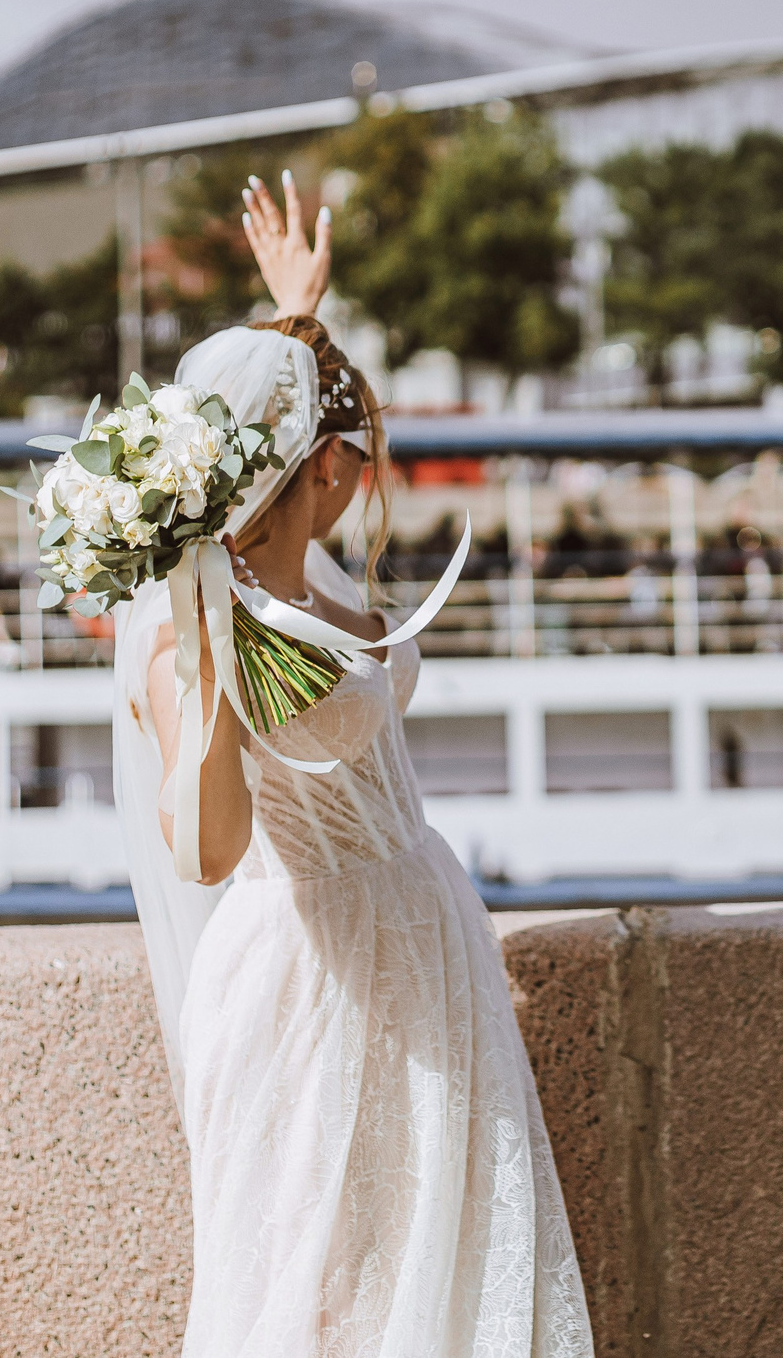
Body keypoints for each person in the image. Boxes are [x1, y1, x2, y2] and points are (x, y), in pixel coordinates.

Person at [111, 171, 590, 1357]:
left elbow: (273, 413)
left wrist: (296, 315)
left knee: (431, 1266)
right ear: (317, 467)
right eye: (354, 450)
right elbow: (209, 846)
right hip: (312, 975)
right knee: (322, 1291)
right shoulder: (188, 631)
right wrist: (208, 660)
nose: (363, 469)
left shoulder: (307, 573)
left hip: (415, 930)